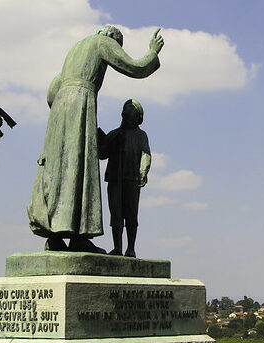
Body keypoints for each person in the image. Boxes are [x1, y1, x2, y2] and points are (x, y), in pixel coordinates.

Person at [27, 26, 163, 253]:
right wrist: (152, 52)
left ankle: (55, 236)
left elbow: (51, 92)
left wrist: (63, 111)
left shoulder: (74, 50)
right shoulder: (103, 42)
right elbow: (134, 67)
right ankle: (79, 237)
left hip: (59, 110)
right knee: (80, 167)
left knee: (60, 170)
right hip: (81, 102)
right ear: (113, 39)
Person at [98, 99, 150, 257]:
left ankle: (130, 248)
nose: (127, 112)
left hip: (131, 179)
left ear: (138, 116)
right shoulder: (115, 133)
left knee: (131, 215)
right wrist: (102, 137)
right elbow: (102, 154)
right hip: (115, 180)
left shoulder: (141, 135)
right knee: (116, 215)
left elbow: (145, 154)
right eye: (126, 110)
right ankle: (117, 248)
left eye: (131, 109)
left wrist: (142, 172)